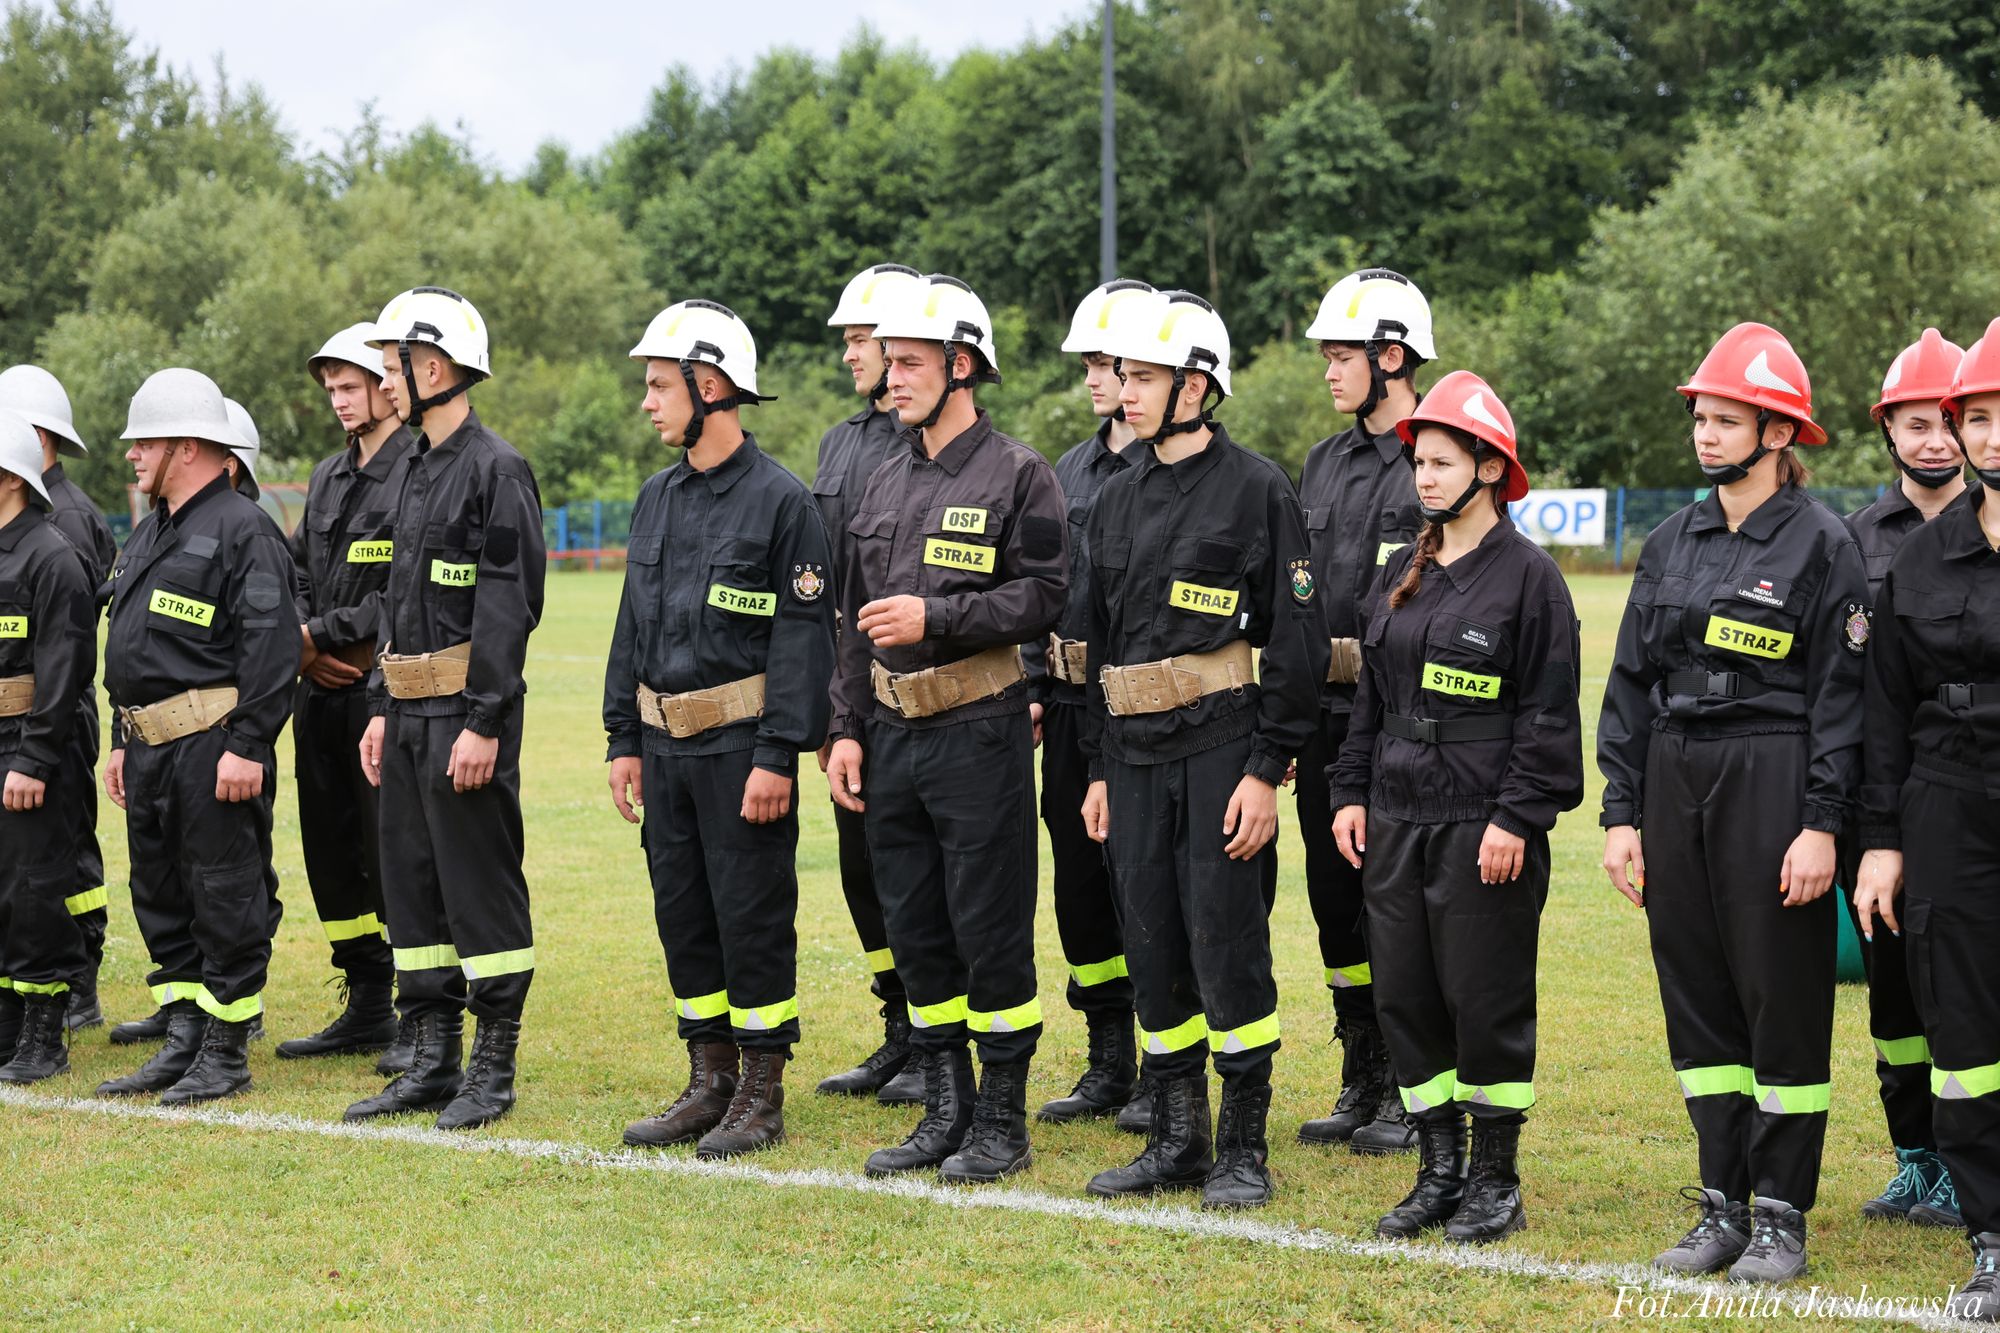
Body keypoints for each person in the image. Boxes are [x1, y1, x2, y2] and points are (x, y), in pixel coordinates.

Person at [1599, 323, 1868, 1283]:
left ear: (1779, 431)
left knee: (1780, 998)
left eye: (1726, 419)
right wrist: (1621, 813)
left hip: (1774, 773)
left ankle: (1782, 1214)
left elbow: (1844, 700)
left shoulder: (1825, 544)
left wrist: (1822, 823)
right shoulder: (1672, 539)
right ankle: (1722, 1204)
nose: (1707, 435)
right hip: (1676, 775)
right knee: (1699, 997)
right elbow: (1629, 683)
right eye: (1702, 417)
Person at [1078, 288, 1329, 1210]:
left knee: (1226, 939)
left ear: (1197, 383)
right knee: (1150, 939)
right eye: (1123, 376)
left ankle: (1241, 1145)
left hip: (1223, 748)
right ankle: (1176, 1138)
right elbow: (1100, 643)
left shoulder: (1259, 488)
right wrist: (1101, 765)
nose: (1124, 392)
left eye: (1143, 377)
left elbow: (1298, 640)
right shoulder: (1112, 498)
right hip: (1132, 755)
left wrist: (1266, 770)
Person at [1329, 371, 1583, 1243]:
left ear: (1489, 468)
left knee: (1486, 998)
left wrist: (1516, 818)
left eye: (1442, 462)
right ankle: (1437, 1169)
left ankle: (1494, 1179)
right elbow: (1370, 696)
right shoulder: (1408, 566)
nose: (1425, 478)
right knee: (1407, 994)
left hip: (1482, 819)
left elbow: (1549, 713)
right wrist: (1350, 791)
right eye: (1419, 463)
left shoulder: (1531, 579)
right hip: (1396, 812)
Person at [824, 273, 1067, 1184]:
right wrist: (847, 727)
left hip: (979, 729)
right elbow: (851, 626)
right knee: (917, 924)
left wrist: (939, 617)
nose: (893, 378)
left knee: (988, 921)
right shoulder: (881, 480)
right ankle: (944, 1107)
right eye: (889, 362)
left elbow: (1047, 595)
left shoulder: (1020, 473)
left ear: (963, 365)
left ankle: (1001, 1120)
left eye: (912, 362)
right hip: (890, 740)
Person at [607, 300, 834, 1158]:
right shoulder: (656, 498)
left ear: (711, 387)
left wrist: (779, 753)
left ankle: (763, 1091)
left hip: (743, 751)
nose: (648, 401)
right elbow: (632, 626)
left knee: (751, 915)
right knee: (685, 915)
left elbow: (803, 638)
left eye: (660, 385)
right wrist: (619, 738)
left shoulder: (783, 504)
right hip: (662, 748)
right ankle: (709, 1080)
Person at [347, 287, 546, 1132]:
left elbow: (509, 604)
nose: (386, 382)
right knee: (413, 886)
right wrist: (382, 705)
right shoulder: (415, 467)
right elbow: (396, 599)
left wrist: (485, 721)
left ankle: (491, 1068)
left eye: (393, 367)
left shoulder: (496, 469)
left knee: (478, 886)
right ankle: (431, 1060)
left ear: (433, 369)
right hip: (407, 716)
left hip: (467, 716)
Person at [95, 368, 300, 1105]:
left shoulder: (246, 529)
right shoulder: (153, 528)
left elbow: (273, 651)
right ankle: (183, 1034)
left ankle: (225, 1046)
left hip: (212, 746)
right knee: (161, 890)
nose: (131, 454)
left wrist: (248, 745)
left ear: (186, 445)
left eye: (143, 441)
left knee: (226, 892)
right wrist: (123, 737)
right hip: (148, 747)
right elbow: (135, 643)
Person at [1854, 316, 2000, 1322]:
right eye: (1975, 417)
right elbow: (1881, 714)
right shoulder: (1920, 560)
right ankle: (1990, 1244)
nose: (1986, 436)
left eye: (1999, 417)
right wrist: (1879, 841)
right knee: (1961, 1030)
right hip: (1944, 803)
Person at [1293, 269, 1433, 1155]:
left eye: (1344, 355)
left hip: (1400, 719)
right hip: (1322, 716)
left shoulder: (1434, 454)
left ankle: (1415, 1088)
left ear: (1393, 356)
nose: (1332, 370)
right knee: (1334, 902)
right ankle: (1362, 1072)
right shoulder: (1321, 461)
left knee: (1399, 904)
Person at [1840, 328, 1966, 1229]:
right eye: (1914, 423)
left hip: (1967, 794)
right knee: (1893, 994)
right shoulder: (1852, 542)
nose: (1934, 440)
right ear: (1889, 430)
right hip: (1876, 802)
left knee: (1968, 987)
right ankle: (1915, 1158)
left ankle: (1970, 1162)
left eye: (1946, 422)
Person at [1026, 278, 1154, 1129]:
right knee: (1078, 886)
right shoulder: (1068, 468)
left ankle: (1166, 1066)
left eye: (1107, 362)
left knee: (1145, 885)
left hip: (1148, 716)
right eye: (1090, 363)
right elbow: (1044, 590)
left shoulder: (1179, 467)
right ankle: (1109, 1058)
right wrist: (1038, 689)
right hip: (1070, 706)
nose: (1095, 377)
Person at [274, 323, 416, 1063]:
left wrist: (318, 636)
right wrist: (305, 641)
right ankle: (364, 1001)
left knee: (386, 847)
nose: (339, 399)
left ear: (384, 384)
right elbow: (296, 567)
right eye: (330, 388)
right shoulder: (329, 475)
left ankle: (411, 1003)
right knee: (329, 850)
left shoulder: (415, 471)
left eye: (350, 384)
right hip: (320, 692)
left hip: (377, 691)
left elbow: (401, 588)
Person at [810, 262, 927, 1105]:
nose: (852, 353)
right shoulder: (842, 441)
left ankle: (938, 1034)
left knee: (925, 871)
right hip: (850, 695)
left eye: (861, 339)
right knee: (863, 869)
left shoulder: (932, 444)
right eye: (851, 340)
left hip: (926, 699)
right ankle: (899, 1026)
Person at [0, 365, 115, 1034]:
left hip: (47, 727)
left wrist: (38, 752)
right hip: (21, 731)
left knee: (48, 868)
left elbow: (64, 654)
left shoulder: (59, 534)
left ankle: (69, 989)